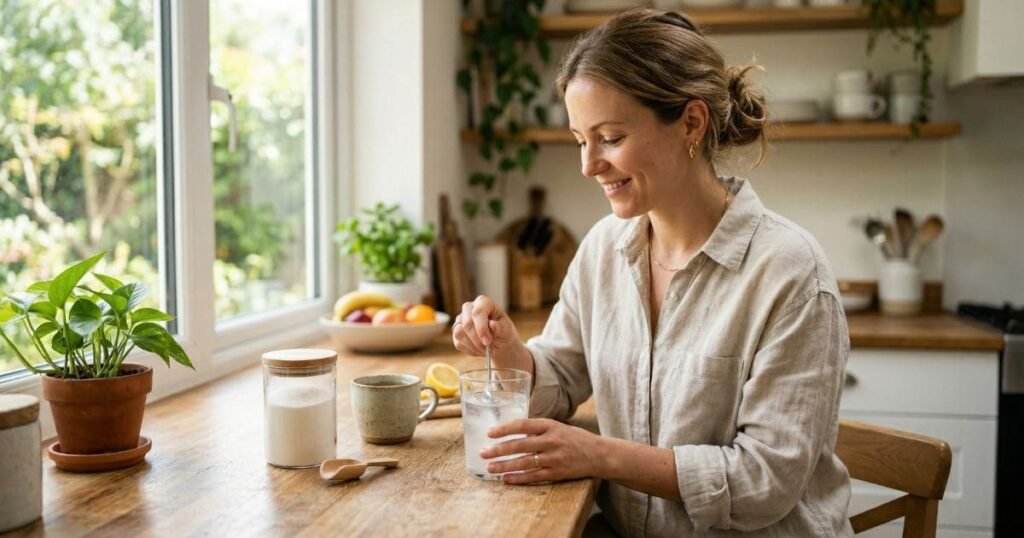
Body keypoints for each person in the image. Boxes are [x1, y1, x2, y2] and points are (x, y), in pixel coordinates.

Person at [452, 8, 852, 537]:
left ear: (690, 123)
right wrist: (506, 350)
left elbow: (764, 481)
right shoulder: (603, 249)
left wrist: (598, 455)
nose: (588, 165)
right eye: (580, 140)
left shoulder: (790, 273)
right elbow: (560, 379)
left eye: (610, 137)